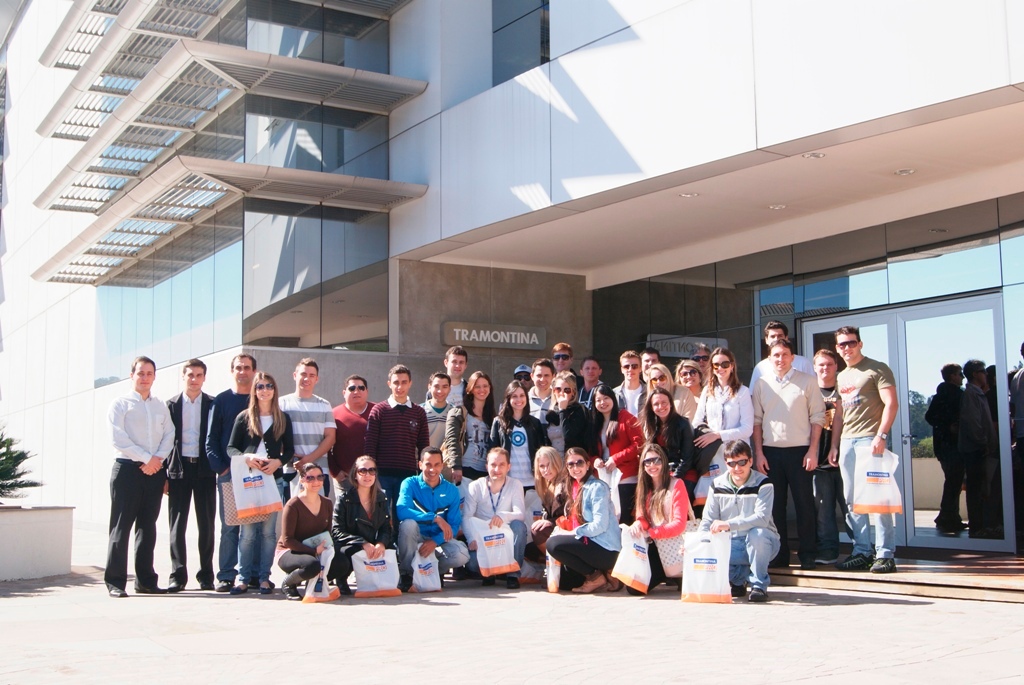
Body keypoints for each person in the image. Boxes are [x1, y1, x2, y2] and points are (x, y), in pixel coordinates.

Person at [750, 339, 825, 570]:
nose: (780, 359)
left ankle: (808, 554)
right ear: (769, 359)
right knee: (775, 507)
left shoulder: (808, 382)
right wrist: (759, 454)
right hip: (771, 454)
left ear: (793, 358)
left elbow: (818, 418)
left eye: (784, 355)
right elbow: (757, 422)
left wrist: (813, 451)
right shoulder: (762, 384)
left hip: (801, 453)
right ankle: (779, 555)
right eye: (776, 355)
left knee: (805, 505)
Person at [105, 356, 175, 598]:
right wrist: (147, 458)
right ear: (131, 375)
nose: (145, 377)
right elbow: (118, 438)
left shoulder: (160, 406)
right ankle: (115, 582)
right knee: (121, 528)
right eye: (140, 373)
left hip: (154, 472)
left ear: (154, 376)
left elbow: (169, 434)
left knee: (148, 527)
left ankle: (145, 581)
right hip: (127, 471)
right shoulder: (120, 404)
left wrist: (157, 460)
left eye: (149, 373)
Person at [834, 326, 899, 573]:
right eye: (842, 344)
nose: (847, 348)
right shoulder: (842, 376)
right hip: (847, 442)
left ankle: (885, 554)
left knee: (879, 499)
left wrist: (881, 436)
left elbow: (891, 404)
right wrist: (835, 446)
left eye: (851, 342)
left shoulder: (877, 368)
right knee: (852, 500)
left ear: (860, 343)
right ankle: (862, 551)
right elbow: (840, 414)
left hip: (870, 440)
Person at [226, 372, 293, 595]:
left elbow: (290, 450)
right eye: (260, 386)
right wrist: (247, 458)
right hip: (249, 481)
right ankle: (243, 579)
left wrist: (278, 462)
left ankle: (264, 578)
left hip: (274, 481)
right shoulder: (244, 417)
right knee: (247, 534)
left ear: (275, 390)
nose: (265, 390)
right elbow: (231, 448)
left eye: (269, 386)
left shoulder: (283, 418)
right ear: (255, 390)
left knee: (268, 534)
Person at [699, 440, 780, 602]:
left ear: (750, 461)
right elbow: (708, 520)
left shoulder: (764, 483)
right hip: (733, 543)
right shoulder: (717, 485)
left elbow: (762, 518)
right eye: (732, 463)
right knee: (714, 542)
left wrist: (729, 524)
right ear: (726, 464)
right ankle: (737, 580)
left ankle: (758, 586)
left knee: (758, 534)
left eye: (742, 462)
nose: (737, 468)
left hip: (764, 543)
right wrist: (696, 544)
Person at [206, 353, 257, 592]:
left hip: (257, 473)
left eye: (247, 368)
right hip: (229, 473)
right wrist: (223, 468)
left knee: (255, 524)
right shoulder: (222, 400)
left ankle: (252, 574)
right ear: (232, 371)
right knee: (229, 527)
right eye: (238, 367)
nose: (242, 371)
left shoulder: (261, 399)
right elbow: (211, 439)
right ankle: (226, 574)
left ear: (254, 372)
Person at [165, 358, 215, 593]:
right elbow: (164, 441)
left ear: (204, 378)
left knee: (206, 525)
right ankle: (177, 575)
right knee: (177, 525)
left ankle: (206, 575)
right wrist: (165, 474)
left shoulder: (212, 404)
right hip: (179, 470)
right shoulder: (171, 405)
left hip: (205, 470)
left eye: (198, 375)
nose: (194, 379)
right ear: (183, 377)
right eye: (190, 375)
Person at [545, 447, 623, 593]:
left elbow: (600, 525)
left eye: (579, 463)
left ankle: (596, 577)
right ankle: (602, 576)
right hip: (589, 544)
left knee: (553, 544)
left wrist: (571, 533)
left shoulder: (597, 487)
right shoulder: (576, 487)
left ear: (588, 465)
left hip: (605, 547)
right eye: (571, 464)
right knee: (566, 582)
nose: (575, 468)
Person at [395, 447, 469, 592]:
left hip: (436, 538)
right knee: (407, 525)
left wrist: (435, 541)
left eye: (436, 465)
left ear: (442, 465)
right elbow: (402, 511)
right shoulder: (409, 483)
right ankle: (407, 574)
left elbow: (453, 526)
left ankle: (433, 570)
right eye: (428, 464)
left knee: (462, 554)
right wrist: (434, 518)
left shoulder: (452, 491)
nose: (432, 469)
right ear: (420, 464)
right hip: (416, 536)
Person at [628, 444, 691, 594]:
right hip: (655, 546)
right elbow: (642, 517)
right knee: (633, 588)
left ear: (664, 461)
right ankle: (667, 573)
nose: (652, 465)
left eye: (656, 460)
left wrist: (651, 533)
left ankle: (674, 574)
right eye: (647, 462)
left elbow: (679, 524)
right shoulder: (644, 488)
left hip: (675, 546)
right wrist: (638, 522)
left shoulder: (676, 484)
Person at [462, 447, 528, 589]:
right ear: (486, 466)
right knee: (471, 563)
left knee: (519, 526)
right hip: (485, 539)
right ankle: (489, 573)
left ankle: (512, 574)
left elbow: (520, 514)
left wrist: (503, 516)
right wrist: (471, 539)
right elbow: (467, 516)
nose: (497, 469)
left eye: (501, 465)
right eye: (493, 465)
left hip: (505, 538)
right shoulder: (475, 486)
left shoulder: (515, 484)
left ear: (508, 467)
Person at [365, 364, 430, 506]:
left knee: (403, 517)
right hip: (382, 475)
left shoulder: (419, 412)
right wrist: (371, 473)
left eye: (404, 382)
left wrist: (422, 474)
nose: (400, 387)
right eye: (396, 383)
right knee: (382, 516)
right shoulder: (379, 410)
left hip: (408, 475)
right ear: (389, 384)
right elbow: (370, 445)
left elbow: (424, 447)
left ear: (410, 383)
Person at [329, 455, 394, 595]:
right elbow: (337, 531)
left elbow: (386, 527)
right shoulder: (344, 499)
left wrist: (381, 543)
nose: (367, 475)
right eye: (362, 471)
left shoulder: (381, 498)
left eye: (372, 470)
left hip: (372, 543)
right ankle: (341, 579)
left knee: (391, 549)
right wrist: (362, 543)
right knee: (346, 555)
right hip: (350, 544)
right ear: (355, 474)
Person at [279, 358, 336, 501]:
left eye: (311, 375)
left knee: (318, 518)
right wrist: (287, 454)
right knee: (292, 517)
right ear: (294, 375)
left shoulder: (324, 405)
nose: (307, 379)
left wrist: (308, 460)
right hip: (290, 471)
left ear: (317, 379)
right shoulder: (281, 403)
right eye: (303, 374)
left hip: (319, 472)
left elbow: (330, 437)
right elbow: (275, 437)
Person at [811, 349, 847, 565]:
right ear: (815, 367)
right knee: (823, 509)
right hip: (819, 462)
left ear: (836, 367)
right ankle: (828, 550)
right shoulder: (809, 391)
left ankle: (862, 549)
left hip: (844, 459)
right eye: (821, 365)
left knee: (851, 507)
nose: (825, 368)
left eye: (829, 364)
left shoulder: (844, 391)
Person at [276, 463, 333, 600]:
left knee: (341, 562)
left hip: (316, 549)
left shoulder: (327, 503)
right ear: (302, 480)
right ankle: (289, 583)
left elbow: (327, 532)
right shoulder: (293, 505)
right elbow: (287, 540)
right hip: (289, 551)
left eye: (320, 477)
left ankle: (313, 582)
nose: (316, 481)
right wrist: (313, 551)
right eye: (310, 478)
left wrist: (324, 549)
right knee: (312, 565)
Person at [591, 383, 643, 524]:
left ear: (613, 399)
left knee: (625, 520)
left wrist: (617, 458)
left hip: (625, 478)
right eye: (598, 400)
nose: (603, 403)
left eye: (606, 398)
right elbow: (590, 451)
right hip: (604, 478)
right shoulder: (595, 423)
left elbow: (639, 444)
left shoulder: (625, 417)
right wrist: (595, 460)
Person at [925, 363, 966, 533]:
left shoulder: (939, 396)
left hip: (942, 446)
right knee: (953, 482)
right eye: (959, 374)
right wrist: (950, 426)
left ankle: (948, 517)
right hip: (953, 445)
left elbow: (930, 417)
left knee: (953, 481)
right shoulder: (957, 395)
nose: (962, 377)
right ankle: (948, 518)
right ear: (952, 376)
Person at [959, 359, 997, 539]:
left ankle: (981, 524)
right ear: (975, 374)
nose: (986, 374)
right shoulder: (971, 395)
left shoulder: (978, 393)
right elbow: (974, 423)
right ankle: (977, 527)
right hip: (975, 450)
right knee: (975, 489)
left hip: (978, 448)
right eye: (983, 371)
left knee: (980, 488)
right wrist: (983, 443)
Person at [638, 387, 695, 499]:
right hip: (661, 472)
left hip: (683, 472)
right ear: (651, 407)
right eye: (656, 404)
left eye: (664, 402)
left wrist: (673, 479)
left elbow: (687, 459)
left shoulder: (683, 424)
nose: (660, 407)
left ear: (671, 404)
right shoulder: (651, 425)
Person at [692, 347, 753, 450]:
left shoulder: (743, 392)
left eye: (725, 364)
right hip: (712, 451)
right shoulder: (707, 391)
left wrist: (718, 435)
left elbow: (747, 429)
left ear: (732, 366)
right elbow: (696, 422)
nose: (720, 368)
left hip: (737, 451)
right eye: (716, 365)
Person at [490, 380, 546, 489]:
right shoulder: (498, 422)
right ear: (508, 399)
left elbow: (541, 451)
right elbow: (492, 450)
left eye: (522, 396)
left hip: (532, 482)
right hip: (507, 482)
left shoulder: (535, 423)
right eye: (514, 396)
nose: (519, 400)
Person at [444, 371, 496, 482]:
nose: (482, 390)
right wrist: (456, 467)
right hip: (464, 469)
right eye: (477, 386)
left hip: (486, 472)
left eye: (485, 386)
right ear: (470, 389)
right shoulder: (459, 412)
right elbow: (452, 440)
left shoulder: (493, 417)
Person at [328, 375, 373, 489]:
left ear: (366, 391)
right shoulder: (333, 414)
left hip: (372, 477)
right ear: (344, 392)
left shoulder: (378, 411)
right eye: (352, 388)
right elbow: (326, 446)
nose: (356, 391)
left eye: (361, 388)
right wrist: (335, 472)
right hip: (345, 479)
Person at [524, 446, 567, 564]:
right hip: (558, 530)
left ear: (557, 463)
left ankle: (562, 565)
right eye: (542, 466)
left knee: (538, 532)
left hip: (569, 531)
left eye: (549, 464)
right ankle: (554, 565)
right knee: (529, 549)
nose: (546, 469)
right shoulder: (547, 485)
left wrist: (551, 522)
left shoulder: (565, 484)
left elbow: (572, 516)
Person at [749, 320, 815, 387]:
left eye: (780, 336)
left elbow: (813, 389)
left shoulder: (803, 363)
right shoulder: (760, 367)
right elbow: (754, 394)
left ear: (786, 338)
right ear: (766, 340)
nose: (776, 339)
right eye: (772, 336)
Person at [547, 371, 593, 456]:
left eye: (567, 390)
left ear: (573, 393)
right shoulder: (551, 413)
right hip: (554, 462)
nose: (562, 393)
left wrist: (562, 410)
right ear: (554, 391)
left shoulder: (580, 410)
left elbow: (568, 437)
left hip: (572, 461)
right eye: (558, 389)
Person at [528, 358, 556, 447]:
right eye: (539, 375)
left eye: (546, 375)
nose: (542, 379)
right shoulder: (523, 401)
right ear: (532, 376)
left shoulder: (559, 400)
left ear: (553, 376)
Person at [422, 372, 452, 451]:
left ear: (450, 389)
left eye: (444, 387)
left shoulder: (454, 412)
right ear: (429, 387)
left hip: (446, 462)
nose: (440, 391)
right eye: (436, 387)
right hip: (425, 461)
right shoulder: (420, 411)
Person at [614, 350, 646, 416]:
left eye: (634, 366)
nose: (630, 369)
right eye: (626, 366)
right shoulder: (614, 394)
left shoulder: (649, 392)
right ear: (622, 369)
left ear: (640, 368)